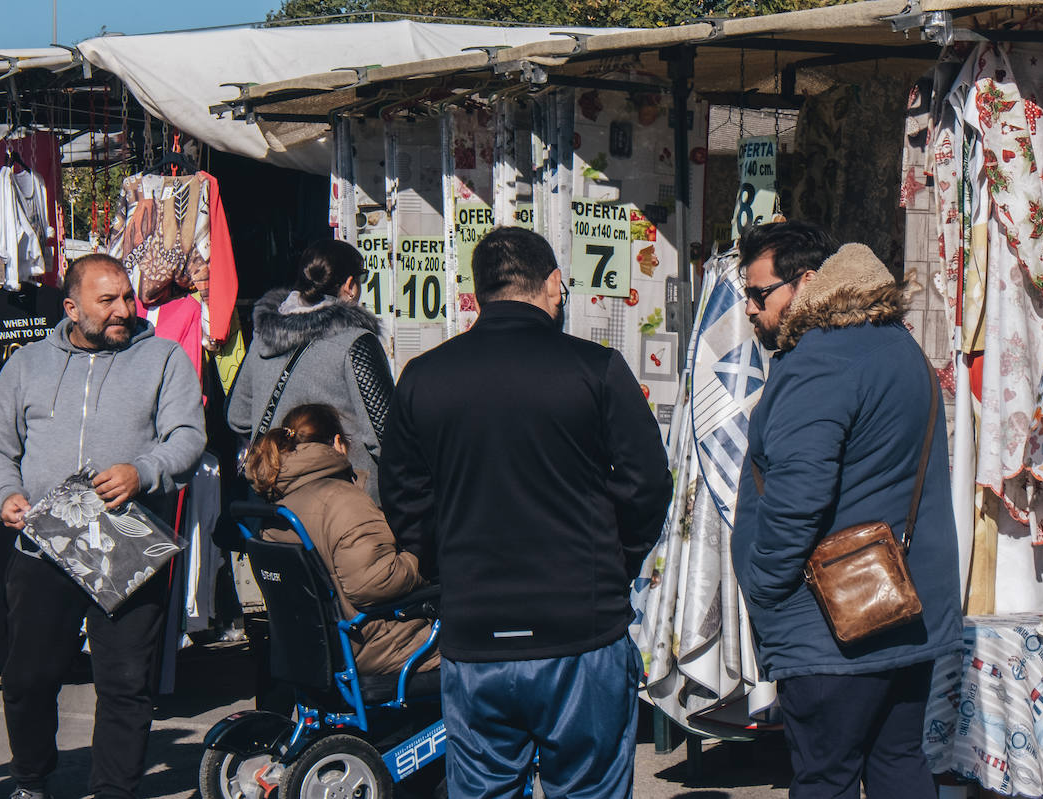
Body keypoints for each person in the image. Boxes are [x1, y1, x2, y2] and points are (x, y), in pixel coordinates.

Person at [381, 226, 672, 799]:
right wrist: (617, 560)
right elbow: (647, 485)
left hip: (475, 633)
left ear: (478, 292)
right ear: (554, 287)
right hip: (580, 627)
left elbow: (404, 502)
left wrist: (447, 573)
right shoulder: (596, 369)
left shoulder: (424, 378)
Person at [729, 221, 961, 799]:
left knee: (825, 779)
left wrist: (764, 588)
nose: (752, 310)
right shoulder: (900, 347)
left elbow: (796, 498)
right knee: (899, 767)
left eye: (760, 294)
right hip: (905, 613)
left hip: (832, 629)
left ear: (807, 282)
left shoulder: (821, 360)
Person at [0, 253, 206, 799]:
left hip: (127, 544)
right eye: (107, 301)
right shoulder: (26, 365)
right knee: (28, 679)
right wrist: (3, 496)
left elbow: (188, 438)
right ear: (71, 306)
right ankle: (31, 778)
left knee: (126, 684)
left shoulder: (164, 358)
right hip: (44, 545)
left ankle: (114, 790)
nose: (123, 310)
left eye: (127, 297)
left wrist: (144, 470)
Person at [243, 403, 437, 676]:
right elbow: (374, 582)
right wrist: (419, 560)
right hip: (378, 649)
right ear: (337, 443)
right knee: (470, 641)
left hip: (310, 652)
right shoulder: (343, 500)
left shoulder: (278, 506)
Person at [228, 239, 393, 503]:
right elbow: (387, 435)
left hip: (272, 504)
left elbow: (237, 416)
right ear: (350, 286)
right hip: (342, 511)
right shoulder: (356, 342)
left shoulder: (264, 336)